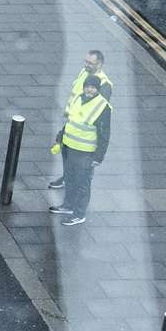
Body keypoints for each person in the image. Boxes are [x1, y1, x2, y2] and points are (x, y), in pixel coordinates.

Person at [48, 74, 112, 226]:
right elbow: (70, 121)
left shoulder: (103, 107)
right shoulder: (78, 98)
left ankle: (79, 213)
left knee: (82, 183)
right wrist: (60, 138)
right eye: (88, 86)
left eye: (93, 87)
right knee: (69, 178)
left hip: (85, 152)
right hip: (69, 147)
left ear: (98, 89)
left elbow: (104, 134)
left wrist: (98, 157)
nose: (90, 90)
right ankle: (68, 206)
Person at [49, 51, 113, 189]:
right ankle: (67, 177)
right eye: (86, 62)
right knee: (67, 155)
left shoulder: (105, 84)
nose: (86, 65)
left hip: (85, 132)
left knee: (83, 169)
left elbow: (100, 112)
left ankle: (76, 189)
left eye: (90, 63)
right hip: (73, 120)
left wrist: (98, 154)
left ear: (100, 64)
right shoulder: (84, 73)